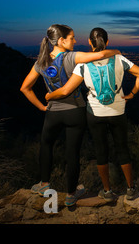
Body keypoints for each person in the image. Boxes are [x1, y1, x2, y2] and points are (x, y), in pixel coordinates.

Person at [20, 24, 121, 206]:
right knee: (72, 153)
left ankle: (44, 184)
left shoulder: (40, 62)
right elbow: (100, 54)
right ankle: (71, 194)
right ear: (61, 40)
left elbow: (24, 88)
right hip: (75, 112)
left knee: (46, 145)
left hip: (53, 113)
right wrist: (116, 50)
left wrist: (42, 107)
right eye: (72, 37)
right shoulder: (72, 57)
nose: (75, 41)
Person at [45, 27, 139, 202]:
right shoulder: (119, 59)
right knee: (122, 148)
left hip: (95, 113)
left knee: (101, 151)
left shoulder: (83, 64)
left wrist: (49, 96)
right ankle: (131, 188)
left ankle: (107, 191)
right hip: (118, 111)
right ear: (107, 42)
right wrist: (132, 94)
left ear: (90, 43)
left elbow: (66, 90)